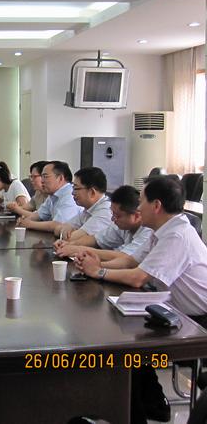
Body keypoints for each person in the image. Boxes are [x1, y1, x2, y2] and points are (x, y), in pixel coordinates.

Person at [75, 176, 207, 424]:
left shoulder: (177, 235)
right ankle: (153, 404)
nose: (138, 206)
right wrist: (95, 263)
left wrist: (99, 272)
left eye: (142, 201)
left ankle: (139, 410)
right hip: (172, 310)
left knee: (126, 350)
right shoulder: (161, 230)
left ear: (156, 206)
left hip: (197, 321)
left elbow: (138, 277)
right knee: (123, 340)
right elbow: (130, 261)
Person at [54, 185, 152, 259]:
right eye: (113, 214)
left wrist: (80, 249)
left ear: (136, 216)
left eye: (117, 216)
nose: (113, 219)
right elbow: (96, 239)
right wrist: (70, 244)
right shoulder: (120, 225)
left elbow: (125, 258)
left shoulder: (148, 231)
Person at [15, 161, 82, 233]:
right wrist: (25, 220)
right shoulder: (53, 195)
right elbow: (39, 215)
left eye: (45, 177)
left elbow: (58, 224)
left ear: (60, 178)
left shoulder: (70, 195)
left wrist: (29, 224)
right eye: (41, 177)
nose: (42, 181)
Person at [54, 167, 112, 241]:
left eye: (76, 188)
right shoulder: (87, 210)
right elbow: (57, 229)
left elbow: (72, 239)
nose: (72, 193)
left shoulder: (105, 212)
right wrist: (66, 230)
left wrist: (68, 232)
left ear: (92, 192)